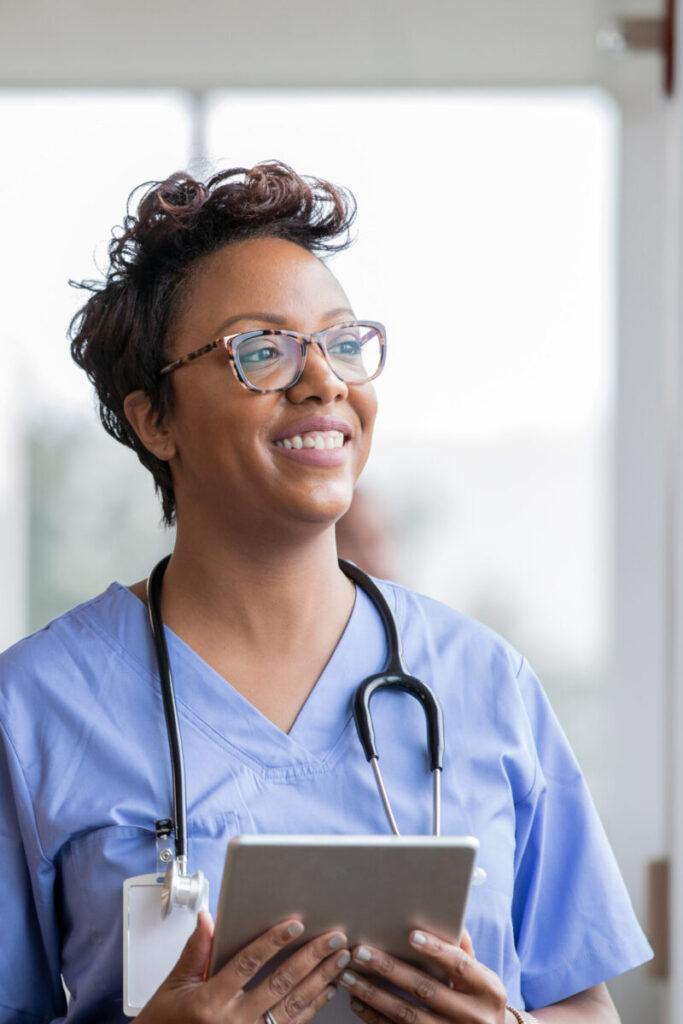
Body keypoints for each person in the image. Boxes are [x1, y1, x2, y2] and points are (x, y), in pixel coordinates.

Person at [0, 161, 651, 1024]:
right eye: (260, 351)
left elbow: (584, 1004)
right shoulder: (35, 709)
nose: (324, 381)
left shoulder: (484, 682)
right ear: (155, 419)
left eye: (342, 342)